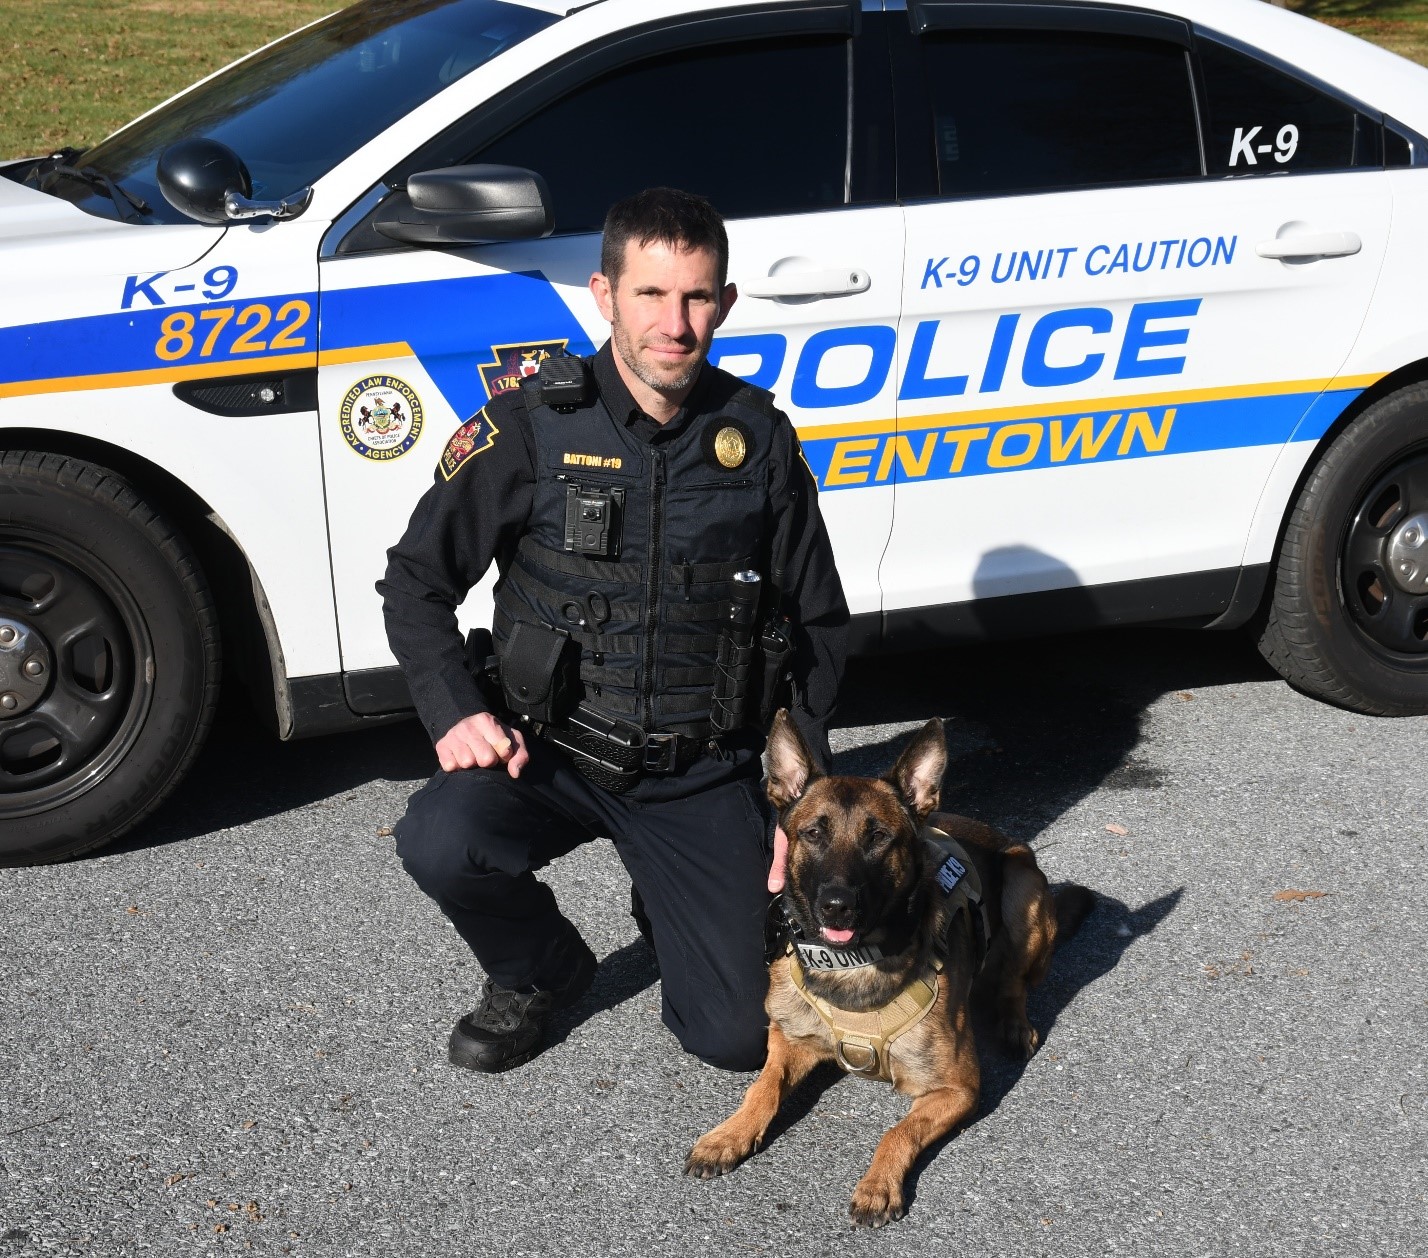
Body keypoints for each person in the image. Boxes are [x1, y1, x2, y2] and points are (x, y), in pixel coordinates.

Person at [378, 187, 847, 1074]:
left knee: (737, 1040)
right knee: (440, 839)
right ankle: (539, 971)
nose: (676, 324)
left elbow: (818, 624)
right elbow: (415, 582)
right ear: (604, 295)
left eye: (698, 297)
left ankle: (665, 892)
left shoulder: (757, 441)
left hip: (697, 770)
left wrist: (801, 798)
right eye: (651, 295)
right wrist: (453, 714)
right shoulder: (530, 426)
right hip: (547, 752)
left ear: (726, 305)